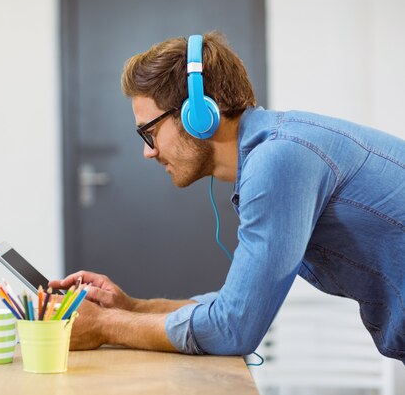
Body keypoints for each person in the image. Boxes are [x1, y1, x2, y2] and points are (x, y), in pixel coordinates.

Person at [49, 31, 405, 362]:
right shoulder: (278, 148)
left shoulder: (279, 161)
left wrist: (104, 325)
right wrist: (129, 308)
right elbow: (234, 308)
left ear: (198, 115)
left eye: (149, 132)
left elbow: (233, 328)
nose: (149, 151)